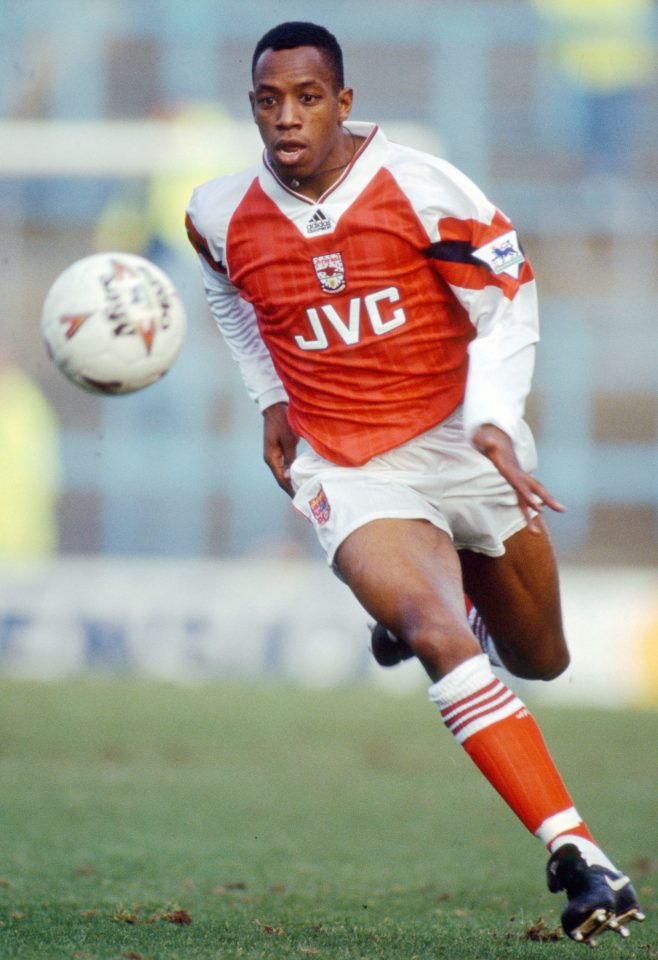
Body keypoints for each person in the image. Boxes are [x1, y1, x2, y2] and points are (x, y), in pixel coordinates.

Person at [185, 22, 644, 945]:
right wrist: (272, 396)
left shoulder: (426, 190)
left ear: (343, 103)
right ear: (252, 107)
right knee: (434, 631)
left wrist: (495, 420)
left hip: (461, 443)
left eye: (307, 98)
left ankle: (449, 612)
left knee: (540, 658)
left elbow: (508, 300)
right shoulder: (215, 212)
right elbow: (227, 291)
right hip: (348, 465)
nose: (287, 118)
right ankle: (579, 854)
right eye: (269, 101)